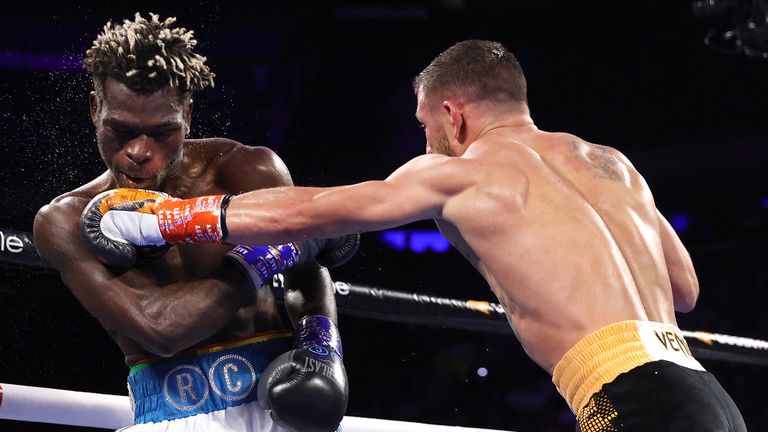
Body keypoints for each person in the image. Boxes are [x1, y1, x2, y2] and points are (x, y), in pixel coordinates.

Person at [94, 40, 747, 431]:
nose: (426, 140)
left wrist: (166, 219)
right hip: (707, 397)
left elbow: (316, 210)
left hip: (632, 403)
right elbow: (684, 289)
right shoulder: (610, 163)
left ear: (451, 113)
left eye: (424, 124)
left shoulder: (457, 173)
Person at [33, 13, 350, 432]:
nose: (138, 151)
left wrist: (321, 348)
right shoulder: (66, 218)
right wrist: (274, 252)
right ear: (96, 109)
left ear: (187, 114)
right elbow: (159, 328)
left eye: (161, 132)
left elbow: (306, 273)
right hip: (171, 417)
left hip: (280, 405)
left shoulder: (245, 170)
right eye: (121, 130)